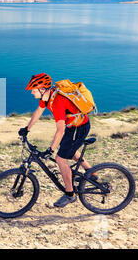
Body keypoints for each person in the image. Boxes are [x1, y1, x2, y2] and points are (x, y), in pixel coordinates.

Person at [18, 73, 93, 208]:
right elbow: (38, 113)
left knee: (60, 158)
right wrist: (27, 129)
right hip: (73, 126)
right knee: (69, 150)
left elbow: (60, 131)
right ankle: (92, 173)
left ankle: (70, 195)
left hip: (78, 127)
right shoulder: (47, 98)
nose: (32, 93)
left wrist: (50, 150)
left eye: (34, 90)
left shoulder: (58, 101)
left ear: (42, 89)